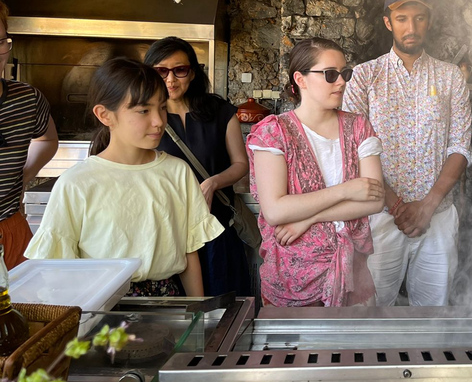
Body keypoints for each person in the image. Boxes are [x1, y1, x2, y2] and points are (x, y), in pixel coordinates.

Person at [25, 58, 224, 297]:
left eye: (162, 107)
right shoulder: (77, 183)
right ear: (105, 115)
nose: (159, 121)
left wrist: (196, 313)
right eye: (143, 110)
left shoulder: (177, 172)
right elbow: (58, 270)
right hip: (99, 305)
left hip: (166, 303)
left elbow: (189, 252)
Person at [343, 0, 472, 306]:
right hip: (380, 217)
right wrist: (397, 206)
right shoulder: (364, 77)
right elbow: (352, 151)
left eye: (419, 18)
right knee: (370, 313)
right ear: (388, 22)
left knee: (432, 317)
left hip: (438, 217)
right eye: (402, 18)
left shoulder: (451, 77)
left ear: (429, 21)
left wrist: (427, 206)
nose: (411, 27)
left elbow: (460, 148)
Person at [247, 37, 384, 307]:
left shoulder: (359, 127)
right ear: (301, 79)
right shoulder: (274, 133)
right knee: (293, 351)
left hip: (354, 278)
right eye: (331, 74)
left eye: (345, 73)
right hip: (293, 280)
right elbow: (276, 211)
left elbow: (375, 200)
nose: (342, 82)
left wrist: (308, 218)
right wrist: (347, 190)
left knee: (352, 350)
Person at [144, 37, 251, 296]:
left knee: (225, 303)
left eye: (179, 70)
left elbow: (240, 164)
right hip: (169, 232)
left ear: (192, 73)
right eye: (161, 71)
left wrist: (213, 182)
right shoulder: (144, 118)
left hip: (217, 227)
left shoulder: (220, 111)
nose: (170, 80)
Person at [0, 0, 58, 269]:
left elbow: (46, 139)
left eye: (1, 42)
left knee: (24, 308)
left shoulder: (27, 99)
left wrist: (22, 176)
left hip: (12, 232)